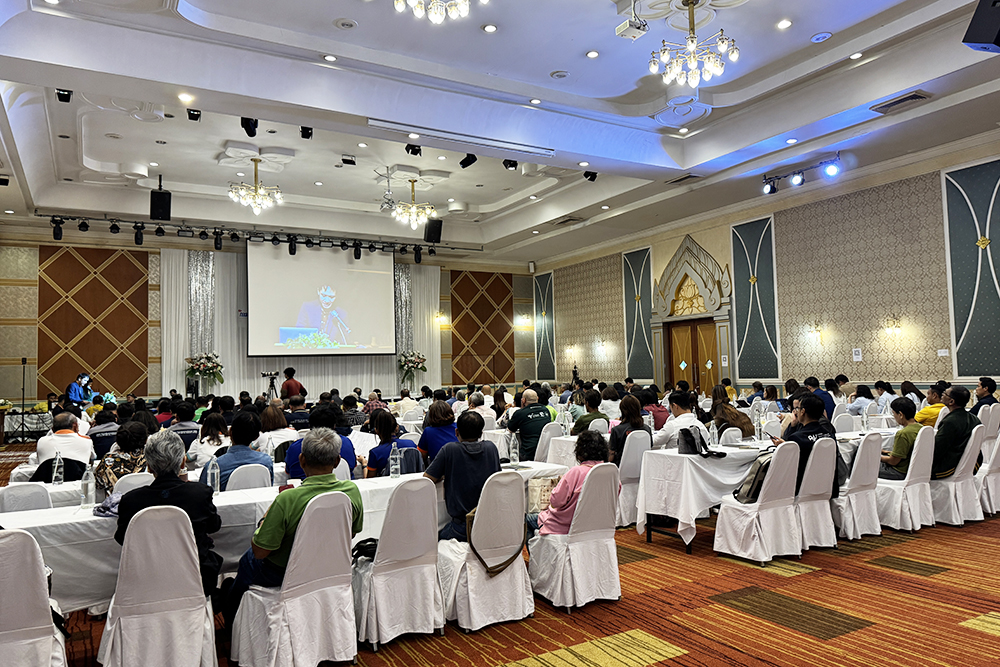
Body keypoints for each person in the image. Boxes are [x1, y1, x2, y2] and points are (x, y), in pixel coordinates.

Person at [223, 427, 363, 627]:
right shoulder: (351, 491)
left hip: (284, 573)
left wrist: (264, 520)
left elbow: (261, 551)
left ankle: (232, 617)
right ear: (337, 461)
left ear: (302, 460)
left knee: (248, 559)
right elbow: (351, 533)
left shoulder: (287, 499)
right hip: (329, 567)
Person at [116, 430, 222, 596]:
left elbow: (122, 539)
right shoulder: (200, 494)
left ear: (149, 466)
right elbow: (214, 526)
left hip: (145, 582)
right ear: (183, 463)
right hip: (196, 579)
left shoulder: (131, 501)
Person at [424, 411, 501, 541]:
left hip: (461, 528)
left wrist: (443, 474)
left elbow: (427, 478)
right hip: (490, 523)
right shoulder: (491, 448)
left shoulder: (450, 450)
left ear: (456, 432)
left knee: (433, 540)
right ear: (481, 433)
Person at [526, 431, 615, 536]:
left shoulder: (576, 472)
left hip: (564, 526)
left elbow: (556, 502)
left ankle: (537, 546)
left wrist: (559, 486)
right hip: (596, 526)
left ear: (580, 452)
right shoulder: (611, 472)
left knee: (527, 519)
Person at [770, 394, 841, 496]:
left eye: (798, 408)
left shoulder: (797, 438)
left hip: (802, 490)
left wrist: (785, 447)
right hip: (828, 488)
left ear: (803, 411)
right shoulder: (829, 435)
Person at [199, 411, 273, 490]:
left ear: (230, 431)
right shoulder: (266, 461)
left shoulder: (214, 466)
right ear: (256, 437)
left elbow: (202, 492)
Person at [283, 404, 358, 479]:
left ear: (310, 426)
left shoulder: (295, 447)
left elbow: (288, 471)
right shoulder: (346, 443)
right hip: (343, 485)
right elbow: (353, 466)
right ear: (334, 426)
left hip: (304, 485)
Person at [932, 385, 982, 480]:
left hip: (951, 467)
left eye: (945, 393)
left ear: (951, 401)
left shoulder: (950, 422)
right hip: (971, 464)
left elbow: (937, 450)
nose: (942, 395)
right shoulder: (974, 418)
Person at [94, 421, 148, 496]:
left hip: (117, 502)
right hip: (146, 501)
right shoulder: (151, 459)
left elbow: (98, 484)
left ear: (118, 441)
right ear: (146, 440)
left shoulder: (108, 459)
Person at [879, 397, 921, 480]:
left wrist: (875, 456)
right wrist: (887, 452)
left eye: (894, 414)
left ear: (900, 415)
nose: (894, 417)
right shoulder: (921, 428)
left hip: (900, 472)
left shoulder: (903, 434)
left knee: (865, 466)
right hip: (915, 470)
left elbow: (893, 461)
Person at [365, 411, 416, 477]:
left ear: (376, 430)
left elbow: (370, 479)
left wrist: (364, 465)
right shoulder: (411, 444)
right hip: (412, 482)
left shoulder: (375, 453)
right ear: (397, 428)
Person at [504, 388, 551, 459]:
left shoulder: (520, 413)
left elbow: (510, 429)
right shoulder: (546, 410)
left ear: (523, 400)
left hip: (528, 452)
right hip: (546, 451)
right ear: (537, 398)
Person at [608, 395, 651, 465]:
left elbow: (611, 456)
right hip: (643, 467)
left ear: (622, 410)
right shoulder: (647, 429)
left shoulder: (617, 430)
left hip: (620, 467)